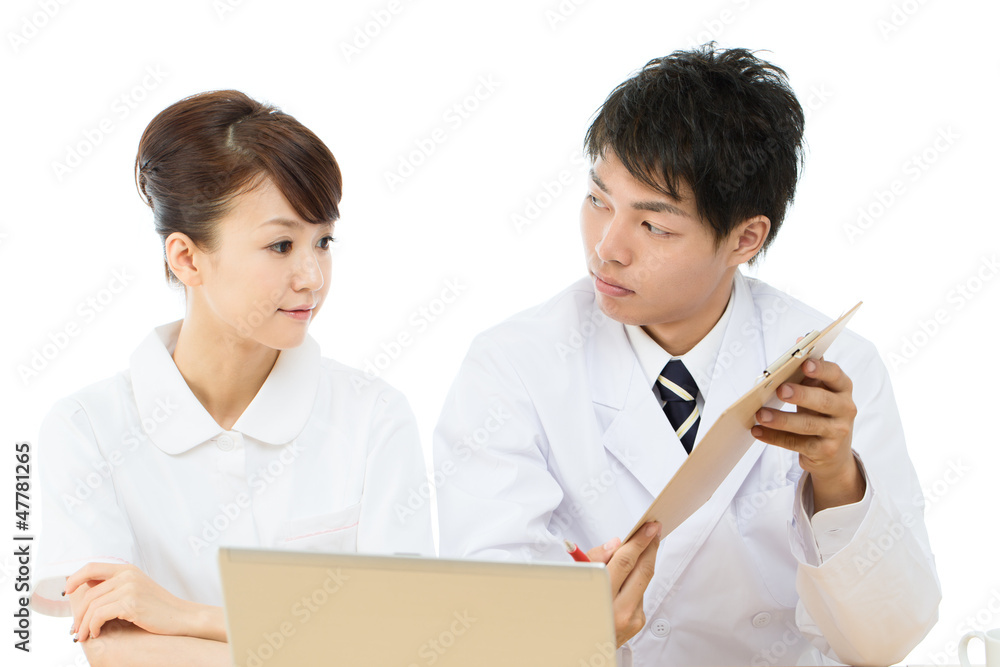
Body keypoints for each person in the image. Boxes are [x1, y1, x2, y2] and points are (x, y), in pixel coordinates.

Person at [433, 44, 941, 666]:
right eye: (599, 201)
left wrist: (836, 478)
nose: (607, 249)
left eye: (655, 226)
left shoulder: (837, 375)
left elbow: (887, 640)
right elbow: (484, 625)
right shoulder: (513, 366)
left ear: (745, 238)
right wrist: (574, 629)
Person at [30, 90, 434, 666]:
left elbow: (405, 640)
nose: (312, 276)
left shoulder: (373, 416)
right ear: (187, 258)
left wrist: (186, 616)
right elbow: (116, 647)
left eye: (323, 241)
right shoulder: (85, 428)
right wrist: (327, 638)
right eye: (281, 245)